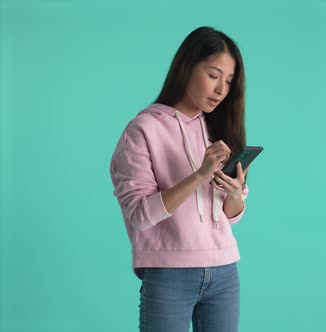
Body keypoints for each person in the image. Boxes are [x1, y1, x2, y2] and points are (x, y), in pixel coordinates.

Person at [109, 26, 251, 332]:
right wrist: (199, 174)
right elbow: (139, 214)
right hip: (169, 272)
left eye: (228, 81)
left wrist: (236, 195)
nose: (221, 90)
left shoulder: (217, 127)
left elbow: (228, 215)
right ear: (187, 66)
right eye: (213, 75)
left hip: (225, 270)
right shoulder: (143, 129)